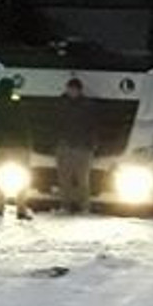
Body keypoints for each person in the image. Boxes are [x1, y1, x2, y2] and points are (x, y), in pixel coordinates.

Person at [0, 79, 33, 220]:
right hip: (19, 146)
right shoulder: (17, 104)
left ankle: (0, 207)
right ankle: (21, 209)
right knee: (24, 177)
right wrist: (29, 145)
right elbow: (25, 126)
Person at [54, 78, 95, 213]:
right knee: (64, 178)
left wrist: (91, 143)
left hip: (82, 146)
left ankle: (84, 206)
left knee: (82, 179)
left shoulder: (87, 106)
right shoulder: (60, 104)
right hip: (64, 145)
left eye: (74, 89)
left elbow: (92, 127)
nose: (72, 91)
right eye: (70, 89)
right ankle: (65, 205)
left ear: (79, 90)